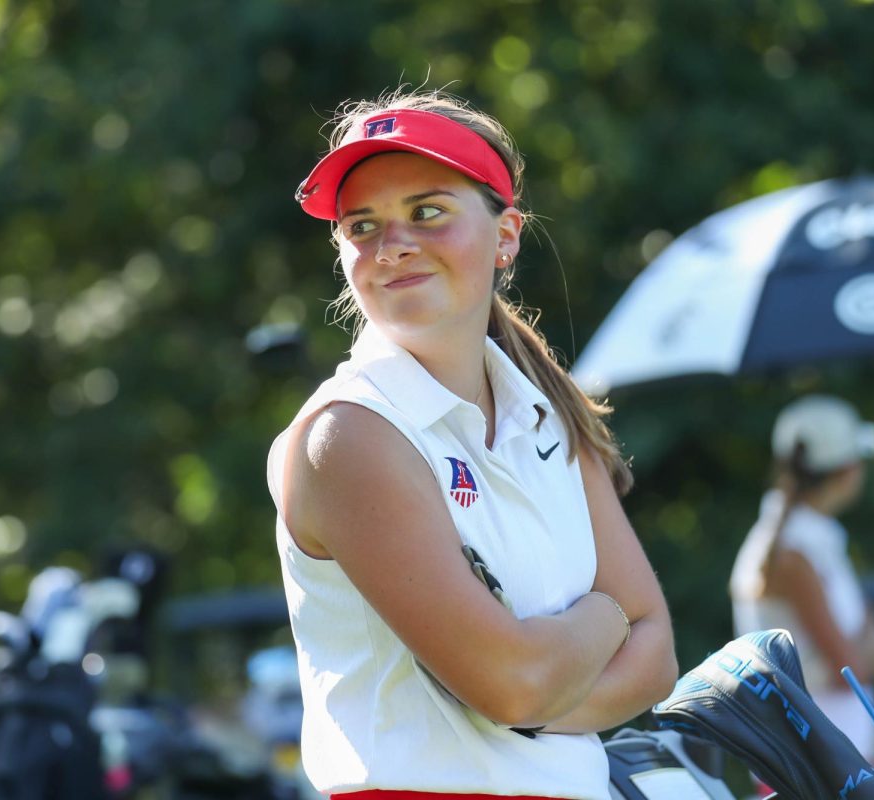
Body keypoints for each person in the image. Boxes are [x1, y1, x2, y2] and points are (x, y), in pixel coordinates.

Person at [265, 89, 678, 800]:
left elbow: (656, 653)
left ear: (506, 233)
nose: (391, 245)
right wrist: (604, 620)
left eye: (428, 212)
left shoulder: (551, 415)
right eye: (362, 226)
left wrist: (538, 701)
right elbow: (518, 684)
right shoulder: (349, 433)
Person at [729, 394, 874, 761]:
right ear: (848, 469)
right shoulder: (792, 552)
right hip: (821, 765)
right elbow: (849, 669)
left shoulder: (802, 540)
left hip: (829, 756)